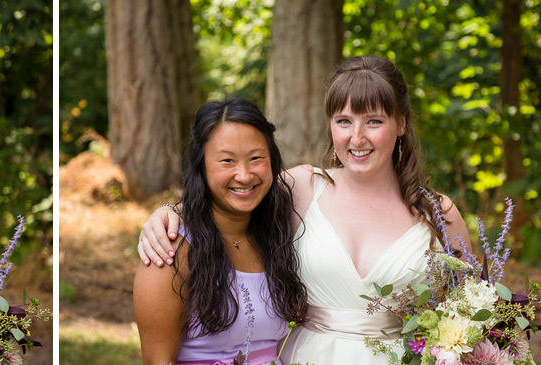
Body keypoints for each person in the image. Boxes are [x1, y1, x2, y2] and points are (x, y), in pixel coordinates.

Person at [138, 55, 472, 364]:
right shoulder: (301, 187)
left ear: (400, 124)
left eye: (373, 121)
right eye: (344, 120)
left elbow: (468, 316)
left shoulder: (438, 213)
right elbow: (234, 192)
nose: (357, 138)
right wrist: (168, 212)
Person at [134, 97, 307, 365]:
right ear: (201, 166)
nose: (245, 174)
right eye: (227, 161)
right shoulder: (171, 249)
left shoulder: (277, 230)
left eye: (256, 158)